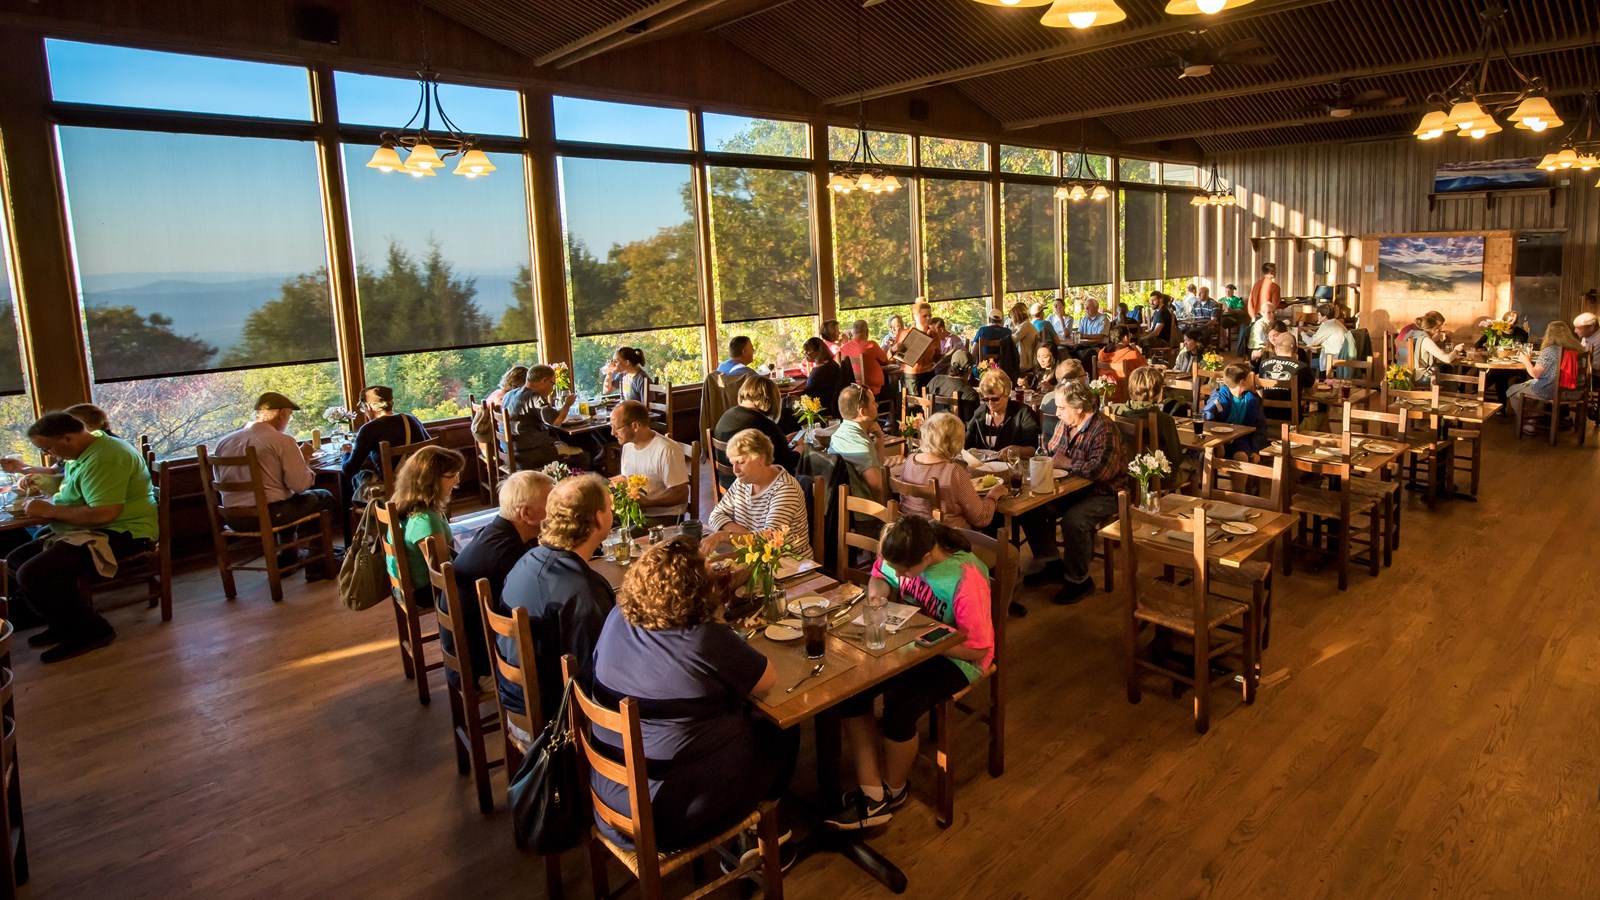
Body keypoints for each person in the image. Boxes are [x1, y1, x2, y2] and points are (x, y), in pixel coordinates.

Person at [592, 539, 794, 852]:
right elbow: (767, 679)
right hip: (663, 818)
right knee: (781, 729)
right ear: (698, 590)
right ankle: (765, 841)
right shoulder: (703, 639)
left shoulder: (617, 617)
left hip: (608, 793)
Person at [823, 516, 993, 831]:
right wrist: (877, 597)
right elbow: (878, 574)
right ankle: (873, 793)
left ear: (927, 558)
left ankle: (895, 789)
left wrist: (923, 640)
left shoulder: (966, 578)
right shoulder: (906, 554)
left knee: (899, 709)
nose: (899, 575)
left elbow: (978, 649)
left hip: (958, 657)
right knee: (851, 692)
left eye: (905, 572)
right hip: (917, 645)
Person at [5, 413, 158, 662]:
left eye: (49, 448)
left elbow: (104, 513)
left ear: (69, 438)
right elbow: (76, 488)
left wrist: (52, 511)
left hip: (123, 534)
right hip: (93, 529)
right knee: (14, 560)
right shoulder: (84, 448)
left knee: (33, 573)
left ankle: (93, 630)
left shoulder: (106, 457)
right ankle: (64, 624)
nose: (51, 455)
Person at [498, 474, 617, 739]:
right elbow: (599, 674)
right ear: (598, 519)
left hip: (516, 702)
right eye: (609, 507)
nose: (613, 512)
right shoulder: (583, 590)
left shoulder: (527, 559)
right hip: (556, 720)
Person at [1021, 381, 1128, 605]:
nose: (1057, 413)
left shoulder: (1104, 429)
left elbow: (1101, 471)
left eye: (1062, 408)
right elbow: (1052, 449)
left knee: (1074, 521)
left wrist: (1069, 463)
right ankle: (1052, 564)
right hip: (1072, 488)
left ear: (1078, 407)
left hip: (1106, 493)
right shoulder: (1066, 424)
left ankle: (1079, 580)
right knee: (1030, 508)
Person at [448, 470, 553, 690]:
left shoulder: (493, 531)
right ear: (526, 513)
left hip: (464, 654)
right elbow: (539, 609)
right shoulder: (509, 555)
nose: (556, 511)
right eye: (551, 504)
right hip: (482, 667)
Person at [215, 391, 339, 574]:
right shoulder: (281, 441)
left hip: (233, 519)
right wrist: (303, 457)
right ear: (282, 414)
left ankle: (288, 558)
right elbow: (300, 485)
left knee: (286, 499)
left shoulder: (224, 442)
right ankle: (317, 563)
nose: (288, 420)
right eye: (289, 415)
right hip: (269, 514)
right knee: (322, 497)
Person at [704, 429, 809, 552]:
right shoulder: (743, 481)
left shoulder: (785, 489)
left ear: (761, 458)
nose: (735, 470)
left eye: (741, 462)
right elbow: (715, 515)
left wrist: (724, 535)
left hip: (789, 563)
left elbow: (769, 539)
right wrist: (748, 536)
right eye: (733, 463)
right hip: (754, 556)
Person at [895, 412, 1004, 529]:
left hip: (913, 534)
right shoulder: (954, 472)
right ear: (954, 441)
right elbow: (981, 518)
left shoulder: (910, 461)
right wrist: (993, 495)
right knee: (996, 520)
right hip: (948, 539)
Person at [385, 445, 463, 600]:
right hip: (425, 590)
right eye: (452, 475)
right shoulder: (425, 520)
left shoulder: (409, 503)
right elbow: (442, 571)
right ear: (432, 480)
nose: (456, 481)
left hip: (412, 586)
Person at [1108, 367, 1190, 491]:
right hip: (1155, 477)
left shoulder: (1115, 410)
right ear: (1158, 392)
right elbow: (1175, 458)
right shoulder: (1163, 419)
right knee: (1193, 467)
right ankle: (1186, 507)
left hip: (1125, 475)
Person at [609, 400, 689, 524]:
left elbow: (681, 494)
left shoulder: (666, 449)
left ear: (635, 426)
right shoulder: (628, 445)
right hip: (637, 514)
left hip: (664, 518)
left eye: (616, 428)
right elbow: (626, 477)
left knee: (619, 538)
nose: (612, 433)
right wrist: (603, 484)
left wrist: (647, 502)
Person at [341, 385, 430, 494]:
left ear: (368, 406)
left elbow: (349, 470)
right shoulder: (411, 419)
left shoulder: (369, 429)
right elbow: (431, 448)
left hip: (394, 488)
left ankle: (368, 510)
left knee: (358, 477)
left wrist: (347, 453)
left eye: (363, 408)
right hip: (422, 481)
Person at [502, 364, 585, 470]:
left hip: (512, 455)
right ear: (544, 380)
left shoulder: (509, 395)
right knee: (583, 455)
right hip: (531, 457)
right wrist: (568, 404)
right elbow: (557, 421)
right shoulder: (535, 397)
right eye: (552, 384)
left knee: (561, 443)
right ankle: (569, 485)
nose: (552, 388)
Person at [714, 376, 800, 477]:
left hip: (728, 481)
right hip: (752, 485)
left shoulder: (727, 415)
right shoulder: (763, 424)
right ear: (770, 399)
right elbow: (787, 463)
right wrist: (800, 448)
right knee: (807, 480)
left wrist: (782, 441)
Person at [1507, 320, 1583, 433]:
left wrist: (1525, 360)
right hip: (1575, 391)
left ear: (1549, 334)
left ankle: (1527, 421)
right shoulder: (1578, 349)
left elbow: (1534, 373)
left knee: (1512, 391)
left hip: (1553, 390)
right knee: (1536, 388)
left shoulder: (1550, 350)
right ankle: (1532, 423)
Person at [828, 385, 887, 499]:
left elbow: (878, 465)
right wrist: (886, 516)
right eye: (874, 402)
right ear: (863, 412)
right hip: (863, 512)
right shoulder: (861, 444)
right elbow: (878, 488)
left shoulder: (838, 434)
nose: (877, 405)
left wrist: (880, 438)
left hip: (841, 505)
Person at [966, 369, 1040, 455]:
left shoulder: (1023, 413)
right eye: (986, 399)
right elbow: (967, 442)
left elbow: (1034, 449)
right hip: (984, 465)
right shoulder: (981, 413)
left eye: (995, 399)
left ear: (1007, 394)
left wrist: (1016, 451)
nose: (990, 403)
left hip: (1013, 465)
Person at [1202, 364, 1269, 460]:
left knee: (1242, 457)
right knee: (1211, 455)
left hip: (1241, 439)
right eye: (1251, 377)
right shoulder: (1219, 399)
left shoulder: (1252, 400)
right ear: (1243, 382)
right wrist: (1216, 441)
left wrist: (1256, 450)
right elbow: (1206, 419)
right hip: (1219, 440)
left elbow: (1260, 426)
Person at [838, 319, 893, 398]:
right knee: (894, 390)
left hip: (852, 391)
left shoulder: (843, 348)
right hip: (872, 391)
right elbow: (886, 362)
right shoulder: (871, 345)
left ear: (853, 332)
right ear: (867, 332)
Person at [895, 300, 940, 394]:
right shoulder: (904, 334)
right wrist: (893, 349)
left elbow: (937, 357)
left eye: (930, 315)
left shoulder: (934, 335)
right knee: (913, 407)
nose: (928, 318)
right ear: (915, 316)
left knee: (931, 405)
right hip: (911, 376)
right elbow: (889, 359)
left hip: (929, 374)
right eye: (924, 316)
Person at [1410, 311, 1465, 385]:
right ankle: (1446, 395)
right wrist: (1456, 350)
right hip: (1421, 377)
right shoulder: (1425, 340)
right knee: (1451, 380)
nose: (1437, 330)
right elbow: (1447, 359)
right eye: (1436, 328)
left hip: (1409, 375)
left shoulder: (1413, 334)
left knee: (1446, 370)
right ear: (1429, 328)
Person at [800, 336, 848, 418]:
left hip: (820, 411)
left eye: (808, 351)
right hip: (833, 408)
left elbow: (808, 394)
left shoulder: (818, 372)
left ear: (818, 351)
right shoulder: (833, 364)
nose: (805, 354)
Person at [928, 349, 981, 422]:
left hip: (931, 428)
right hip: (955, 432)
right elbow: (971, 423)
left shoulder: (935, 380)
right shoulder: (970, 393)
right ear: (969, 368)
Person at [1098, 326, 1148, 402]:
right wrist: (1136, 350)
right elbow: (1146, 370)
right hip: (1123, 395)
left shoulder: (1101, 352)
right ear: (1125, 338)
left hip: (1103, 394)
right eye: (1129, 335)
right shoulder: (1131, 354)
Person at [1302, 304, 1352, 376]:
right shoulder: (1335, 322)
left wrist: (1302, 333)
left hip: (1333, 358)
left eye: (1318, 315)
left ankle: (1314, 384)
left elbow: (1312, 342)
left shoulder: (1327, 325)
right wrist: (1308, 331)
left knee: (1306, 363)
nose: (1317, 316)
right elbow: (1321, 335)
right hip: (1341, 355)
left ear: (1324, 316)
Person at [1573, 312, 1600, 388]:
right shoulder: (1586, 336)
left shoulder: (1598, 339)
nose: (1575, 331)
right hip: (1589, 373)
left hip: (1595, 377)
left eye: (1579, 328)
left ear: (1591, 328)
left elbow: (1593, 365)